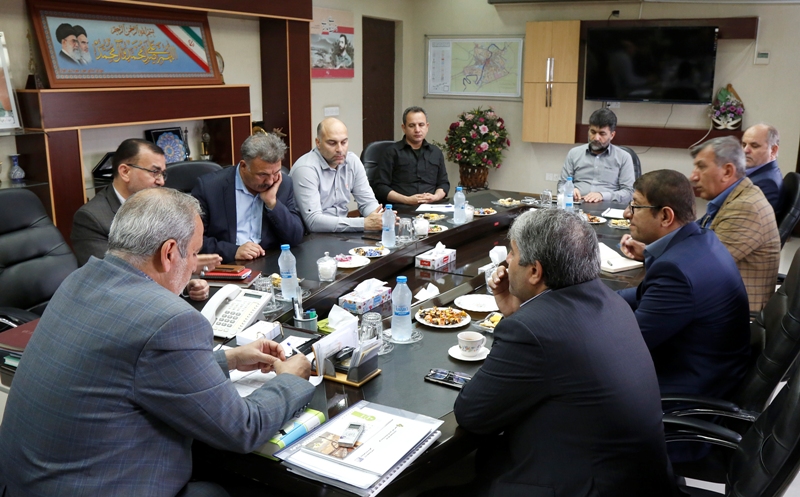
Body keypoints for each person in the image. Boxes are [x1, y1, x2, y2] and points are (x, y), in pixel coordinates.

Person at [0, 188, 315, 496]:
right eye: (193, 253)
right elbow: (242, 429)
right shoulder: (169, 320)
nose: (194, 264)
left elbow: (134, 366)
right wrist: (290, 379)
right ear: (168, 253)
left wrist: (228, 359)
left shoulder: (79, 280)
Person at [450, 209, 677, 496]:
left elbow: (472, 414)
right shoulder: (609, 300)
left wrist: (519, 320)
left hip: (582, 487)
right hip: (636, 480)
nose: (507, 261)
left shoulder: (532, 330)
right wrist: (517, 313)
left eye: (512, 253)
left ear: (535, 271)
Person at [618, 169, 750, 401]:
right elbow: (643, 295)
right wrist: (593, 299)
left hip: (687, 390)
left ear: (665, 216)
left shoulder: (676, 271)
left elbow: (628, 345)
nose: (627, 213)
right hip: (710, 368)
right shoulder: (702, 239)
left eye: (636, 206)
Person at [71, 138, 215, 301]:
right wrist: (180, 265)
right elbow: (110, 278)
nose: (161, 181)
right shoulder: (92, 218)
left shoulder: (160, 205)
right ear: (125, 172)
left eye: (163, 174)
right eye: (154, 172)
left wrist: (186, 283)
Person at [692, 136, 781, 312]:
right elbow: (696, 235)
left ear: (727, 172)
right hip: (717, 298)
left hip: (735, 312)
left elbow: (700, 267)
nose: (693, 176)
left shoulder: (746, 207)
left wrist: (656, 253)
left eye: (701, 167)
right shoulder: (734, 197)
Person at [192, 133, 304, 262]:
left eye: (275, 172)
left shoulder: (283, 184)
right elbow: (192, 242)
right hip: (227, 263)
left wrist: (272, 203)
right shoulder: (209, 187)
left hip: (269, 261)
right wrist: (233, 251)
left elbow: (295, 237)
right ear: (244, 166)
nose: (270, 181)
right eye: (262, 174)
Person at [290, 118, 383, 232]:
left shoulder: (352, 161)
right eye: (332, 143)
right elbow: (313, 222)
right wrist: (364, 223)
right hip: (311, 235)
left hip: (343, 231)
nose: (340, 149)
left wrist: (380, 217)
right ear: (318, 143)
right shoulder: (306, 169)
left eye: (344, 142)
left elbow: (367, 202)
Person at [373, 106, 450, 205]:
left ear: (427, 126)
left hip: (432, 207)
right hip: (402, 207)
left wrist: (435, 197)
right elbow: (380, 187)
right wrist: (407, 200)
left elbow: (443, 184)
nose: (417, 130)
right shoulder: (391, 152)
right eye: (412, 125)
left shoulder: (436, 152)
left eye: (421, 125)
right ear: (404, 128)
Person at [558, 108, 634, 203]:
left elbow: (629, 192)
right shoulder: (574, 153)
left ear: (612, 135)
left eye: (602, 133)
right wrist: (569, 190)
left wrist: (602, 195)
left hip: (608, 205)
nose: (596, 138)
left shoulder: (623, 157)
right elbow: (562, 184)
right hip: (577, 204)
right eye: (593, 132)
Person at [741, 123, 782, 214]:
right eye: (744, 145)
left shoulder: (767, 184)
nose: (745, 150)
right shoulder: (761, 174)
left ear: (773, 150)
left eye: (754, 146)